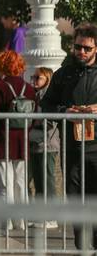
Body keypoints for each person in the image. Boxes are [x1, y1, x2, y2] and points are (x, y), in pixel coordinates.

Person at [40, 23, 97, 249]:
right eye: (77, 47)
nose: (81, 52)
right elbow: (45, 105)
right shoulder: (63, 74)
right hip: (72, 147)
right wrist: (66, 112)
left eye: (87, 48)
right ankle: (82, 247)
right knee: (75, 199)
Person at [0, 50, 36, 231]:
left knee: (3, 183)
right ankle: (21, 221)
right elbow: (35, 117)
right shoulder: (29, 89)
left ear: (2, 65)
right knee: (21, 183)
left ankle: (5, 221)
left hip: (2, 140)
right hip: (22, 140)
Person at [28, 67, 59, 229]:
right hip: (36, 144)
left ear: (47, 78)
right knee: (39, 183)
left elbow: (50, 121)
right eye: (33, 77)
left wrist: (32, 128)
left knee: (47, 182)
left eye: (38, 77)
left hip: (47, 144)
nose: (34, 80)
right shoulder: (35, 94)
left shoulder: (49, 95)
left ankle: (52, 218)